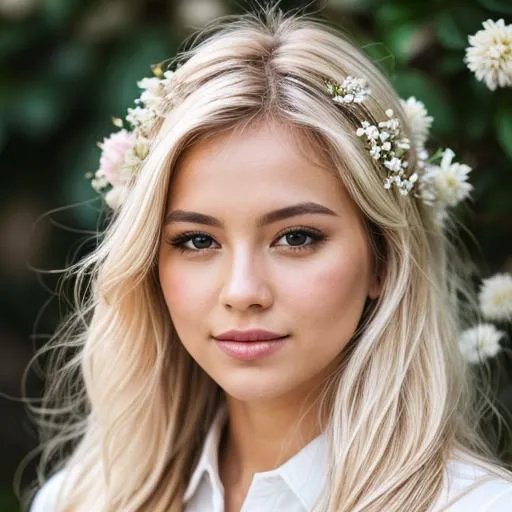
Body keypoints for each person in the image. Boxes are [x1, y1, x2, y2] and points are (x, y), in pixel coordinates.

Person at [26, 4, 512, 512]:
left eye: (297, 237)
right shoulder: (78, 500)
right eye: (196, 240)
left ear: (384, 256)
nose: (242, 292)